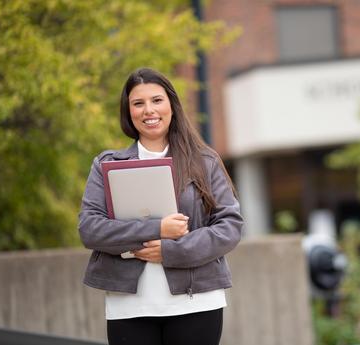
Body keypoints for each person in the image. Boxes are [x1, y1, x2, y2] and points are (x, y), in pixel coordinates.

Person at [78, 67, 243, 345]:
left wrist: (170, 251)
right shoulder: (107, 165)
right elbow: (90, 229)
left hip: (197, 302)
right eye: (138, 103)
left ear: (172, 106)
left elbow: (230, 227)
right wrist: (158, 228)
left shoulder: (205, 161)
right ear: (128, 111)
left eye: (156, 100)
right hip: (129, 306)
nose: (148, 110)